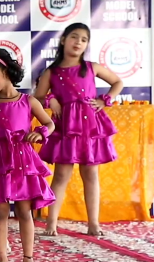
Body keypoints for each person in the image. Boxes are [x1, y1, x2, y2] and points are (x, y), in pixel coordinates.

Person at [33, 23, 122, 236]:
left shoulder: (92, 67)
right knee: (62, 174)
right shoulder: (51, 72)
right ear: (63, 40)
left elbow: (117, 82)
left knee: (91, 173)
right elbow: (37, 96)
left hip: (90, 125)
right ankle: (51, 223)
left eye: (83, 39)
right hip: (66, 127)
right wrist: (51, 99)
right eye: (74, 37)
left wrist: (105, 100)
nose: (78, 42)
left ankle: (93, 223)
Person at [0, 48, 56, 262]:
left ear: (6, 70)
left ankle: (28, 257)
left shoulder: (28, 101)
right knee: (0, 213)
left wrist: (40, 133)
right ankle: (2, 257)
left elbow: (49, 123)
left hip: (23, 162)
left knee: (24, 211)